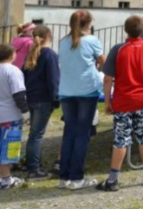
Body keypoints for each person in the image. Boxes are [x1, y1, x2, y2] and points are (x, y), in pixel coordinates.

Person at [97, 15, 143, 191]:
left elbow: (108, 78)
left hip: (123, 102)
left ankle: (113, 179)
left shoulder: (118, 50)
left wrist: (108, 102)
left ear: (125, 30)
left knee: (121, 140)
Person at [58, 10, 105, 190]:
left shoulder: (63, 41)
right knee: (82, 134)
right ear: (88, 24)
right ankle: (77, 177)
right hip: (86, 90)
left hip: (67, 91)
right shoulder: (92, 40)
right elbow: (104, 61)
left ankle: (64, 176)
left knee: (69, 132)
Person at [22, 25, 59, 181]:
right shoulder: (49, 54)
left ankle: (31, 163)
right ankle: (33, 169)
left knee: (33, 134)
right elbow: (53, 79)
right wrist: (56, 98)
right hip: (43, 99)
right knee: (36, 135)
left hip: (30, 97)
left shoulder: (31, 54)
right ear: (49, 36)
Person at [0, 43, 28, 190]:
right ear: (12, 55)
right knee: (8, 148)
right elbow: (19, 94)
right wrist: (26, 113)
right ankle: (7, 179)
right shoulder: (12, 71)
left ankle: (3, 177)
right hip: (10, 115)